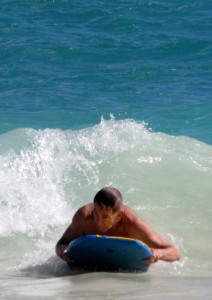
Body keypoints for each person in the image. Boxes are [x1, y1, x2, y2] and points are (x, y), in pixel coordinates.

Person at [56, 187, 180, 264]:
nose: (98, 221)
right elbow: (61, 243)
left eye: (105, 217)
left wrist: (158, 254)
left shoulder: (133, 224)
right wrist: (62, 251)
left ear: (119, 215)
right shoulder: (83, 217)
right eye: (96, 215)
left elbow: (175, 253)